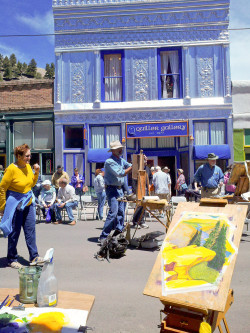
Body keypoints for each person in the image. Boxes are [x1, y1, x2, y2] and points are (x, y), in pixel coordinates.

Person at [0, 144, 43, 269]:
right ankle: (12, 258)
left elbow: (31, 184)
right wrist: (2, 207)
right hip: (16, 204)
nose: (29, 158)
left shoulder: (28, 167)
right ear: (19, 156)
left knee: (30, 230)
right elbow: (2, 188)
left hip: (28, 202)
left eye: (30, 155)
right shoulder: (11, 169)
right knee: (15, 232)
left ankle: (34, 256)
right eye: (27, 156)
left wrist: (36, 172)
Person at [99, 140, 132, 244]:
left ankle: (118, 231)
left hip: (119, 189)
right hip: (112, 189)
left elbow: (130, 165)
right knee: (113, 212)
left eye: (121, 148)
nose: (121, 150)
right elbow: (121, 173)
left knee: (121, 212)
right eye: (119, 148)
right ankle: (103, 236)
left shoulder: (121, 160)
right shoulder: (109, 162)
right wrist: (133, 166)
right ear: (113, 150)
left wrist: (140, 162)